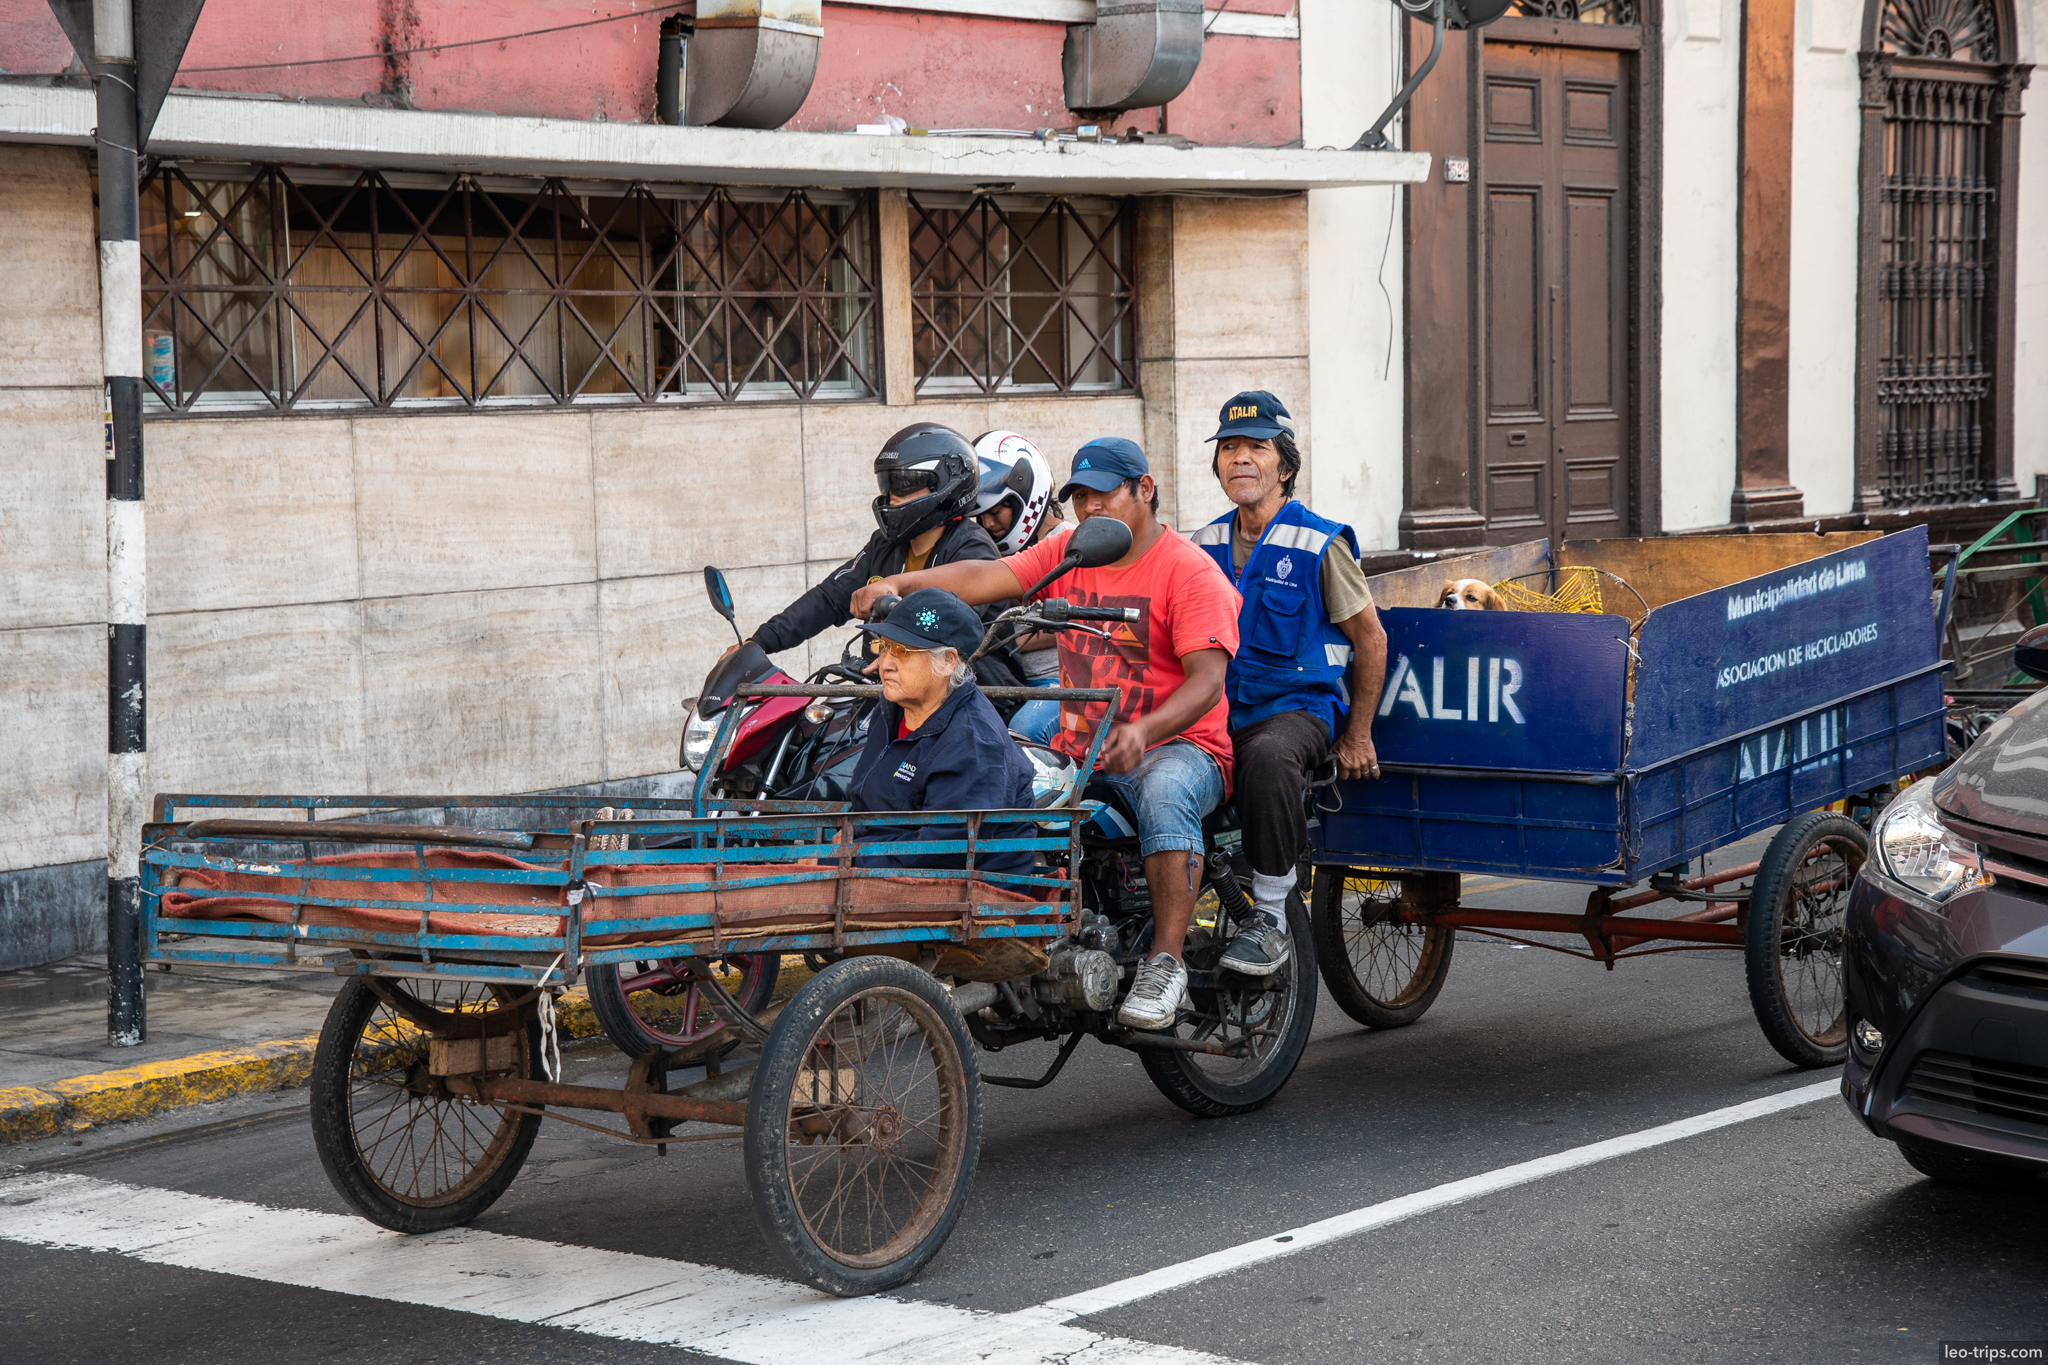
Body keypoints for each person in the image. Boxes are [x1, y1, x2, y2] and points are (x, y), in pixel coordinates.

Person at [851, 437, 1241, 1031]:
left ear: (1145, 489)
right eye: (1080, 497)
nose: (1090, 508)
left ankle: (1166, 959)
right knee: (998, 777)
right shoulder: (1071, 553)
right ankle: (1009, 937)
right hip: (1083, 735)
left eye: (1103, 493)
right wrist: (900, 588)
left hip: (1179, 745)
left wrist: (1145, 731)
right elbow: (988, 575)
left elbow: (1207, 683)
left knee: (1165, 794)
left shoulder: (1191, 574)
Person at [1189, 391, 1388, 977]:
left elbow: (1371, 640)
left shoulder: (1318, 542)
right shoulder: (1200, 544)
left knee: (1271, 760)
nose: (1241, 459)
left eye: (1258, 447)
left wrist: (1357, 736)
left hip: (1294, 710)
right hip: (1218, 710)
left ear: (1285, 465)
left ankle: (1272, 916)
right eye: (1229, 448)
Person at [742, 424, 1008, 667]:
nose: (892, 496)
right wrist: (760, 642)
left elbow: (949, 623)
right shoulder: (884, 545)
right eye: (890, 483)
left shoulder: (974, 550)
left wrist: (895, 606)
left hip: (971, 697)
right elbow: (827, 599)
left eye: (906, 483)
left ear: (948, 484)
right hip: (887, 693)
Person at [847, 588, 1037, 878]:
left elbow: (939, 854)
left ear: (948, 661)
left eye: (902, 651)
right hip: (883, 870)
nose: (885, 663)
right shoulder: (891, 708)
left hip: (960, 896)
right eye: (884, 647)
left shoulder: (973, 742)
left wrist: (849, 858)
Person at [970, 430, 1064, 746]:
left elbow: (1081, 621)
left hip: (1058, 681)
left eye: (996, 512)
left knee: (1023, 730)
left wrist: (1009, 639)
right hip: (1006, 679)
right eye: (981, 517)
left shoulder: (1069, 544)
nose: (989, 525)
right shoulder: (991, 550)